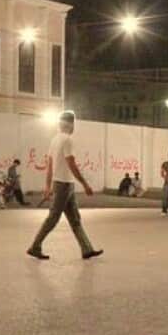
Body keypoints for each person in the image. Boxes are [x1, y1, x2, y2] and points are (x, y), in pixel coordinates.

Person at [27, 111, 103, 261]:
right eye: (74, 123)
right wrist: (85, 184)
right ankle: (35, 246)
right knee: (53, 217)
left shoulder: (55, 140)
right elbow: (72, 164)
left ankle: (86, 249)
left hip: (64, 184)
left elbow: (49, 165)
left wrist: (48, 186)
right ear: (71, 124)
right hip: (63, 185)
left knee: (75, 219)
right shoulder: (68, 140)